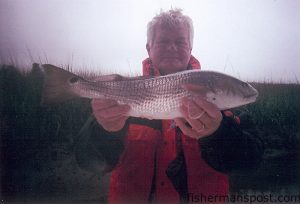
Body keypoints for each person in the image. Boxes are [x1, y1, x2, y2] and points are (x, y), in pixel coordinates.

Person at [75, 9, 263, 204]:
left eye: (180, 42)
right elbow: (86, 160)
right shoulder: (120, 96)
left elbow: (251, 163)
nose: (172, 48)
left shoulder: (225, 106)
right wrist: (106, 130)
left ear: (190, 48)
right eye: (163, 41)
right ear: (149, 48)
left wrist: (218, 132)